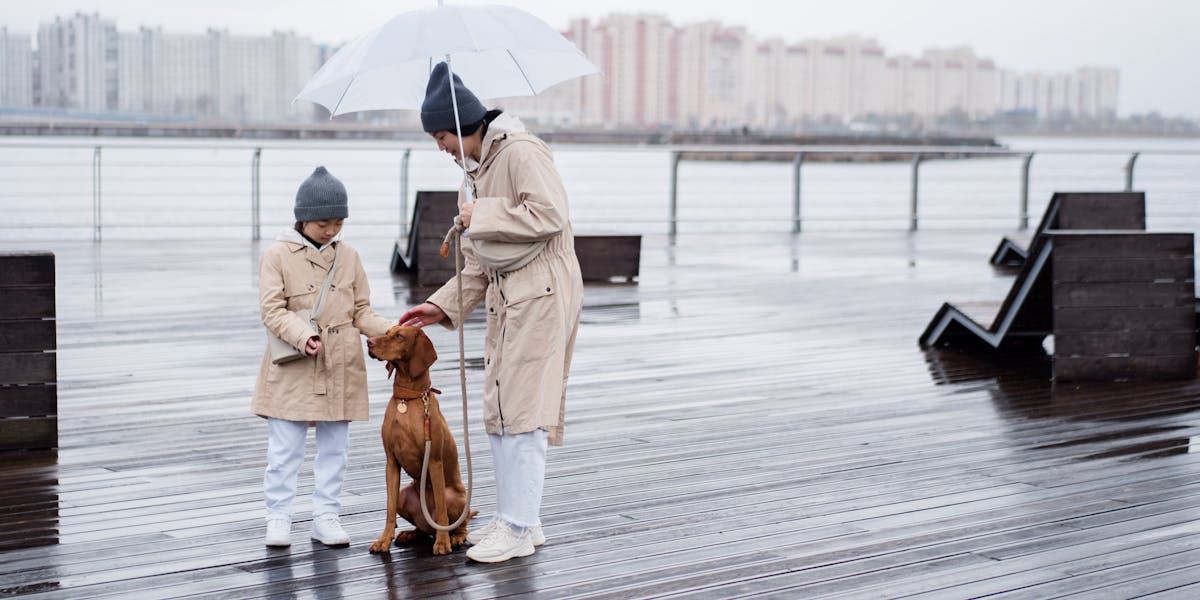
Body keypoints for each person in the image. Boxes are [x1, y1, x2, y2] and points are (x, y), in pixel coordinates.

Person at [398, 62, 584, 563]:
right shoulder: (474, 175)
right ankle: (520, 520)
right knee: (501, 409)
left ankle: (519, 527)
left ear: (463, 125)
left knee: (523, 412)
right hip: (510, 296)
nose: (440, 147)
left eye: (442, 136)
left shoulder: (522, 151)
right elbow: (480, 263)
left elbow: (551, 215)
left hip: (542, 291)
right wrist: (438, 307)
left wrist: (482, 214)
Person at [253, 166, 394, 548]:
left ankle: (325, 515)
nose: (331, 231)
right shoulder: (277, 254)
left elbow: (361, 310)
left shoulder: (349, 256)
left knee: (335, 448)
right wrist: (304, 335)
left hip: (341, 361)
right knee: (285, 448)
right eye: (322, 224)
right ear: (302, 219)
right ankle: (278, 516)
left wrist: (393, 332)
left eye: (338, 223)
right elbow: (271, 309)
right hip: (295, 361)